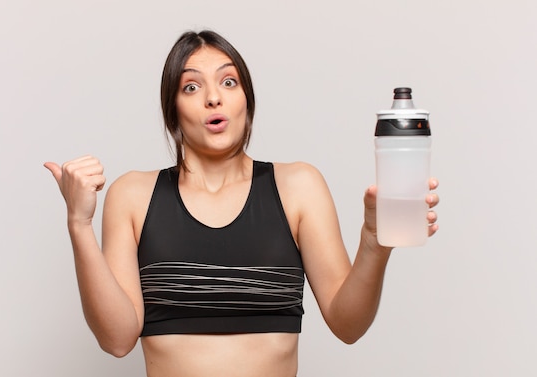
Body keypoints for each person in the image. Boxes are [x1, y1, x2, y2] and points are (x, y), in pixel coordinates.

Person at [44, 30, 439, 377]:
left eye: (229, 82)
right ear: (173, 112)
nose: (214, 98)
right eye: (192, 87)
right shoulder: (132, 195)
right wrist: (79, 224)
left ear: (247, 100)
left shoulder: (298, 187)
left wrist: (374, 241)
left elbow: (347, 325)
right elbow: (116, 340)